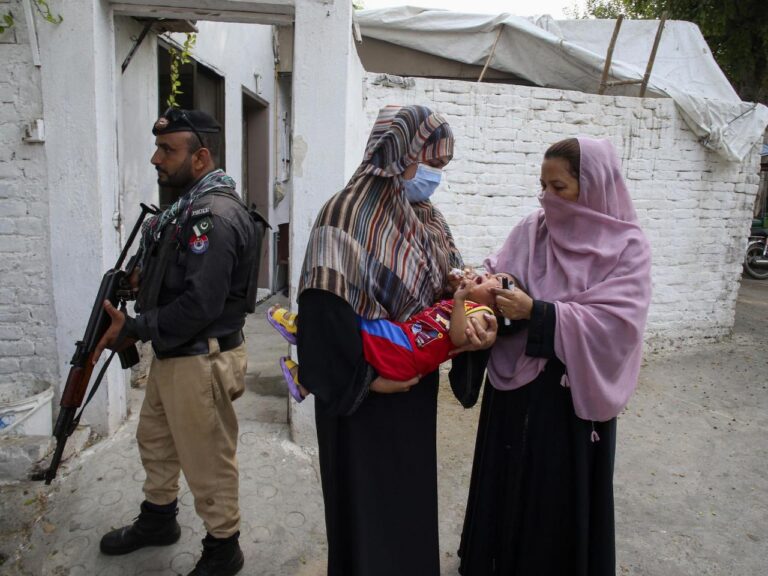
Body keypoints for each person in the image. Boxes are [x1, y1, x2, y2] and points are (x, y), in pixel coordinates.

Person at [296, 104, 497, 576]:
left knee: (406, 505)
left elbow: (448, 285)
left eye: (441, 167)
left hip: (411, 387)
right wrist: (364, 381)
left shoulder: (427, 218)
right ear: (397, 152)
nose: (433, 176)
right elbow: (322, 314)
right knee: (364, 515)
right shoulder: (343, 213)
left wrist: (467, 302)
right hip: (359, 396)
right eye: (429, 162)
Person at [454, 137, 652, 575]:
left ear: (594, 187)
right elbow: (503, 270)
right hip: (512, 389)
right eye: (542, 186)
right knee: (506, 480)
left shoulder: (627, 247)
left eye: (559, 187)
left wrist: (538, 312)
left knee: (553, 496)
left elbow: (619, 327)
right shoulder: (532, 228)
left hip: (567, 402)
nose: (547, 198)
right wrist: (488, 288)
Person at [92, 108, 262, 576]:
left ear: (201, 157)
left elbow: (202, 305)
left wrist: (135, 329)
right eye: (158, 148)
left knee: (207, 461)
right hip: (175, 354)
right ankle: (158, 520)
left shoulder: (215, 216)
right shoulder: (183, 211)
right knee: (157, 444)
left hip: (201, 359)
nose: (155, 158)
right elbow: (177, 275)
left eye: (168, 150)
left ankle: (223, 549)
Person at [267, 270, 512, 402]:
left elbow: (458, 338)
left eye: (498, 281)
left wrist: (459, 299)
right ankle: (305, 382)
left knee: (352, 324)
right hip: (405, 341)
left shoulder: (483, 314)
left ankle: (302, 329)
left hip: (406, 350)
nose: (489, 275)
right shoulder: (469, 303)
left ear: (501, 305)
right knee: (352, 333)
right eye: (492, 274)